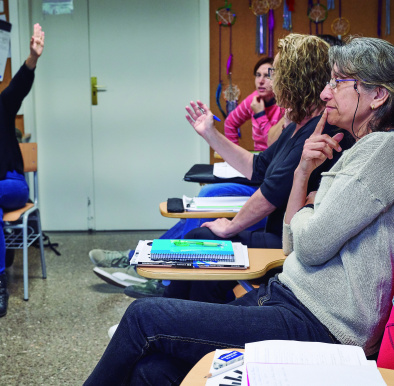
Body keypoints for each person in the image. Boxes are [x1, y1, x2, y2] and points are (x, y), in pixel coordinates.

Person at [84, 36, 394, 385]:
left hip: (320, 321)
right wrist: (304, 174)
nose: (326, 93)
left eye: (338, 82)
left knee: (143, 318)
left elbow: (307, 244)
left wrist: (307, 213)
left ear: (377, 95)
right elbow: (292, 243)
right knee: (152, 370)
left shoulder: (383, 150)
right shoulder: (351, 146)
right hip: (288, 296)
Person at [161, 33, 355, 303]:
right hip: (274, 236)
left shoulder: (318, 130)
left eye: (277, 74)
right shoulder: (299, 126)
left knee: (203, 239)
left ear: (294, 79)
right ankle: (171, 316)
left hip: (285, 244)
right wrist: (210, 134)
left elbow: (269, 195)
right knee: (202, 243)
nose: (273, 84)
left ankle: (168, 315)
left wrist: (230, 227)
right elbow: (257, 166)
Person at [0, 24, 45, 317]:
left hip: (12, 183)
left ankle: (0, 283)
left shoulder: (2, 104)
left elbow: (17, 87)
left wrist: (32, 59)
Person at [224, 56, 284, 151]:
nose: (260, 81)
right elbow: (230, 123)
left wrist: (260, 115)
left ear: (278, 79)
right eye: (258, 75)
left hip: (278, 158)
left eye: (267, 76)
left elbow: (272, 142)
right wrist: (235, 155)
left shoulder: (284, 104)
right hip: (259, 158)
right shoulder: (253, 99)